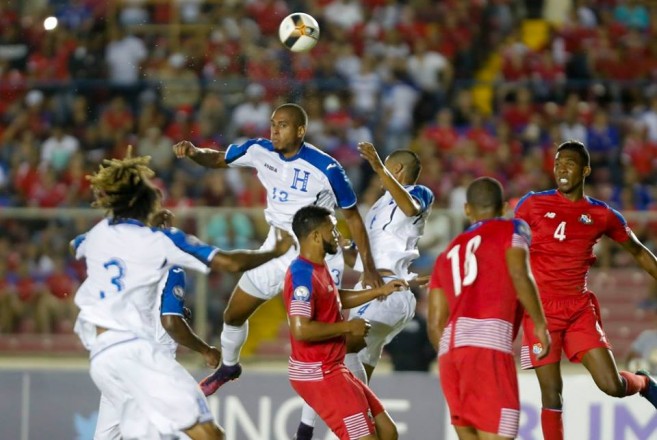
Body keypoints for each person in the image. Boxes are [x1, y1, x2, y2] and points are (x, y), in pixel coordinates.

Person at [71, 149, 293, 440]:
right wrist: (273, 252)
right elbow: (230, 263)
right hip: (138, 352)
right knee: (208, 433)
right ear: (143, 203)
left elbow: (76, 245)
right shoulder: (163, 241)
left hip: (101, 357)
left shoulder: (96, 235)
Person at [173, 103, 382, 396]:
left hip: (316, 253)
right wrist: (195, 153)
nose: (274, 129)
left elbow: (353, 218)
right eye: (273, 123)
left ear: (301, 130)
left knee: (327, 335)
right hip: (277, 247)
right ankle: (229, 366)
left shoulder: (327, 168)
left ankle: (347, 385)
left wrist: (369, 268)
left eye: (283, 125)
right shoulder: (260, 150)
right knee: (233, 315)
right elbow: (220, 159)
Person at [515, 140, 657, 440]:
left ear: (586, 170)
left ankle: (644, 384)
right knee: (552, 395)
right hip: (541, 313)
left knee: (612, 386)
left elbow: (639, 252)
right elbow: (506, 244)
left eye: (569, 163)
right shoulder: (531, 204)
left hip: (578, 309)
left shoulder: (602, 215)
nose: (561, 168)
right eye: (557, 163)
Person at [294, 142, 434, 439]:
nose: (376, 176)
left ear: (396, 170)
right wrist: (341, 246)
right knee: (355, 385)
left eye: (384, 168)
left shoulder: (419, 193)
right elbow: (357, 258)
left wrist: (379, 168)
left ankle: (305, 430)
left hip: (387, 292)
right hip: (379, 289)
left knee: (335, 353)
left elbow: (410, 208)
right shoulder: (376, 208)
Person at [428, 176, 551, 440]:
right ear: (505, 207)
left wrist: (458, 355)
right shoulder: (513, 229)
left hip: (450, 353)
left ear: (467, 209)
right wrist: (541, 325)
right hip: (488, 348)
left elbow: (435, 323)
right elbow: (519, 274)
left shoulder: (446, 254)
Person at [93, 209, 223, 439]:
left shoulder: (117, 265)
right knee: (208, 434)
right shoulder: (170, 266)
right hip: (153, 367)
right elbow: (170, 322)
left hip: (118, 364)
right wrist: (206, 350)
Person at [284, 205, 404, 440]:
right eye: (333, 229)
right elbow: (301, 329)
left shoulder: (318, 267)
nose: (338, 235)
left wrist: (380, 291)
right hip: (317, 372)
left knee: (387, 432)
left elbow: (335, 297)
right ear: (316, 236)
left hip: (334, 367)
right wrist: (349, 326)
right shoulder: (302, 275)